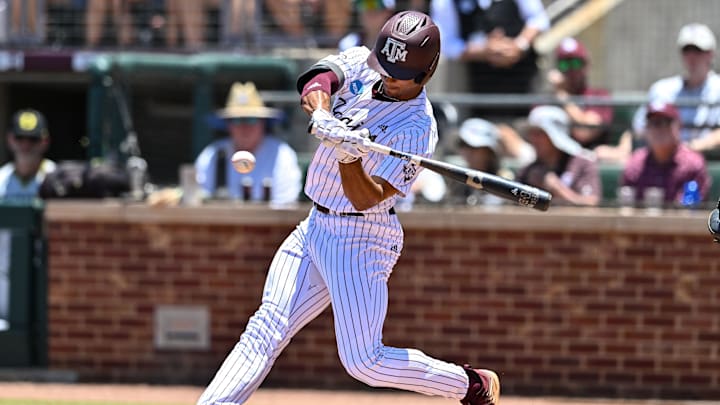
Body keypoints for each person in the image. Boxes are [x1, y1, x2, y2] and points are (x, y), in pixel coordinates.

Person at [196, 11, 499, 405]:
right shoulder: (364, 61)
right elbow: (318, 80)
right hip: (314, 225)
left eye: (398, 72)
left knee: (364, 362)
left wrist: (349, 156)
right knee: (264, 329)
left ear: (425, 73)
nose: (387, 76)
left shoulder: (417, 128)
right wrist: (322, 112)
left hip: (362, 238)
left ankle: (468, 385)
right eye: (385, 65)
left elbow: (368, 197)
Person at [599, 23, 720, 163]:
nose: (692, 56)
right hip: (661, 160)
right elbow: (638, 128)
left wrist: (690, 149)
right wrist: (623, 149)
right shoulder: (663, 89)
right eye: (687, 50)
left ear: (711, 53)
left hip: (704, 161)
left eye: (698, 50)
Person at [430, 0, 550, 119]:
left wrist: (518, 46)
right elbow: (445, 42)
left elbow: (538, 19)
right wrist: (483, 50)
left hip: (525, 80)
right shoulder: (446, 2)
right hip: (478, 88)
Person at [194, 82, 302, 205]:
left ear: (263, 123)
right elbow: (199, 199)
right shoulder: (212, 154)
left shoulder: (282, 155)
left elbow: (286, 204)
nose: (244, 127)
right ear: (228, 125)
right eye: (237, 120)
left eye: (252, 120)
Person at [621, 101, 711, 207]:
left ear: (679, 126)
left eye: (666, 122)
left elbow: (690, 209)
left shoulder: (693, 164)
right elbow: (627, 206)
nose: (659, 129)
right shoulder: (635, 163)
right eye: (653, 123)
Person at [517, 105, 601, 206]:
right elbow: (511, 208)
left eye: (540, 134)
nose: (534, 140)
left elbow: (591, 204)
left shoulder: (583, 164)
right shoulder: (528, 170)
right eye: (532, 133)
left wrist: (557, 189)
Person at [548, 37, 614, 150]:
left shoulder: (599, 95)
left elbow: (585, 133)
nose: (570, 70)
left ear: (586, 65)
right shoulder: (547, 99)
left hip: (588, 159)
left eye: (575, 63)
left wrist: (562, 96)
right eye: (564, 64)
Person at [447, 117, 510, 206]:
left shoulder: (506, 183)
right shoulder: (458, 183)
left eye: (473, 147)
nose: (467, 151)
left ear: (489, 152)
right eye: (462, 144)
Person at [0, 109, 56, 201]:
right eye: (19, 138)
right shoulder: (1, 178)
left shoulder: (57, 179)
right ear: (9, 139)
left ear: (45, 141)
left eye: (33, 139)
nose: (25, 145)